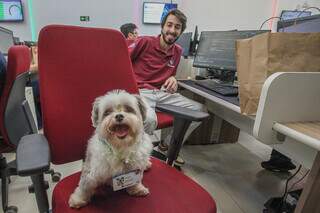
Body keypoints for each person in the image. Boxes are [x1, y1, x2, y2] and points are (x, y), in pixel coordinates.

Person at [128, 9, 204, 165]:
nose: (172, 30)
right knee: (149, 120)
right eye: (169, 25)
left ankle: (166, 146)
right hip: (139, 91)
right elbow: (121, 61)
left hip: (160, 93)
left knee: (200, 111)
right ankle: (133, 159)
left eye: (177, 27)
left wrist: (173, 78)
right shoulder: (144, 42)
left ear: (181, 31)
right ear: (162, 27)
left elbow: (170, 74)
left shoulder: (178, 51)